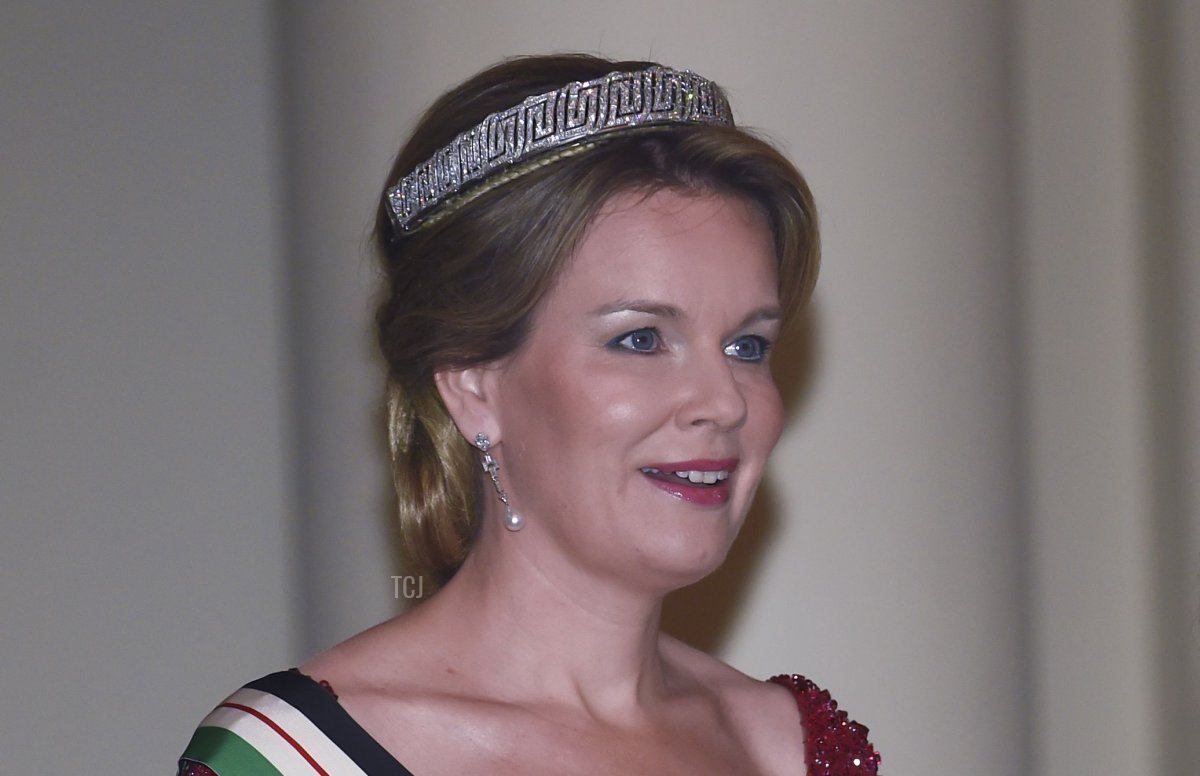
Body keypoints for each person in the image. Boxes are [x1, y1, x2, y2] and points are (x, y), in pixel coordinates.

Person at [178, 53, 879, 775]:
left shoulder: (785, 747)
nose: (725, 401)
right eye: (639, 339)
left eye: (747, 344)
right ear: (473, 383)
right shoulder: (293, 760)